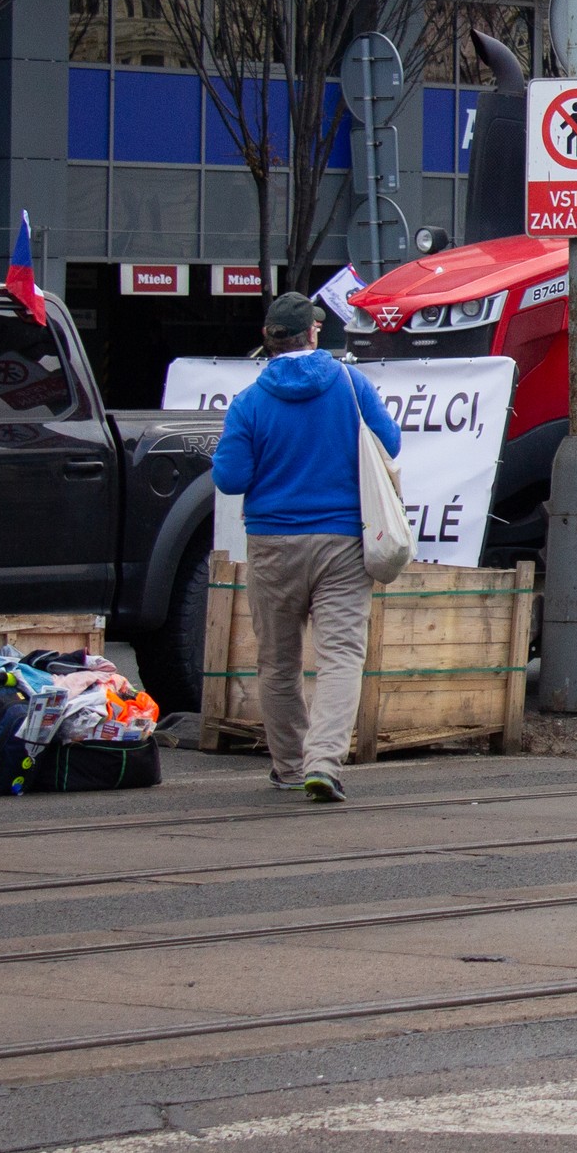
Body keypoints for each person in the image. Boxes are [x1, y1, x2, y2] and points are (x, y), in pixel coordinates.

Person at [209, 292, 402, 803]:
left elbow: (230, 478)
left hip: (272, 545)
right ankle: (324, 763)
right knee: (340, 656)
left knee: (278, 661)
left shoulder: (250, 401)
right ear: (314, 335)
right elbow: (391, 444)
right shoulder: (350, 384)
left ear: (268, 341)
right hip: (342, 542)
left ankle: (290, 766)